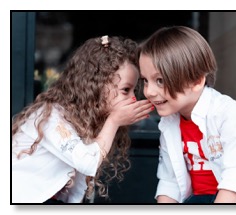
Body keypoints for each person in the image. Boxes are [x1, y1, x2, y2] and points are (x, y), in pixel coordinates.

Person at [12, 35, 154, 204]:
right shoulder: (52, 116)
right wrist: (114, 121)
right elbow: (87, 162)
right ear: (97, 85)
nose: (133, 99)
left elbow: (78, 188)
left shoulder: (86, 120)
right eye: (126, 90)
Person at [138, 26, 236, 204]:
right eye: (145, 80)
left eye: (160, 80)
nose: (149, 92)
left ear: (197, 81)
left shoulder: (228, 114)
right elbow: (170, 182)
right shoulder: (169, 122)